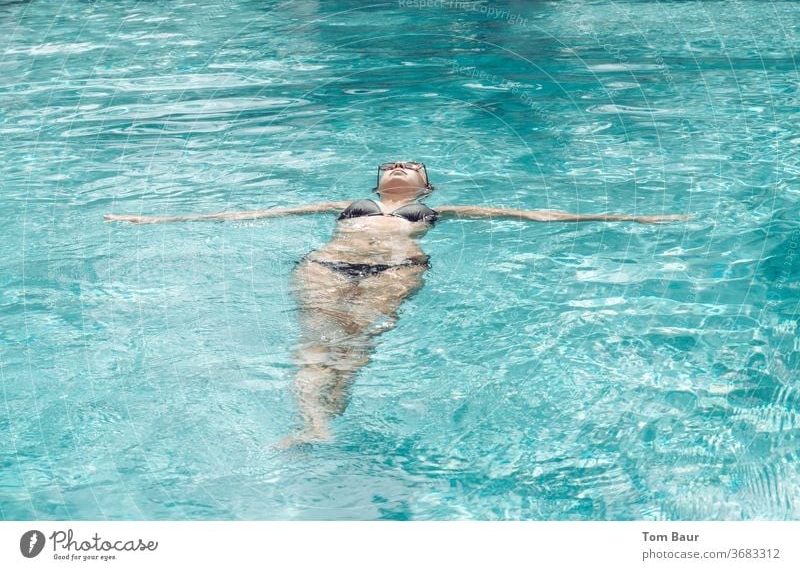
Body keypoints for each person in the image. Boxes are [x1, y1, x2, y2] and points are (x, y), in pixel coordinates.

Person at [105, 161, 691, 447]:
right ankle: (312, 423)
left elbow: (537, 216)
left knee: (355, 342)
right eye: (391, 164)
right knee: (313, 344)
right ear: (379, 180)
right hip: (325, 265)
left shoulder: (439, 213)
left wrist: (635, 215)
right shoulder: (347, 204)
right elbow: (252, 214)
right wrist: (152, 218)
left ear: (425, 190)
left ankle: (324, 412)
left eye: (412, 166)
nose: (399, 167)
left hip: (397, 267)